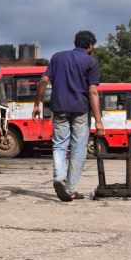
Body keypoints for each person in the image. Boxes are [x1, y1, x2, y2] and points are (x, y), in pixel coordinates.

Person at [33, 30, 104, 202]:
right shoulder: (91, 61)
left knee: (59, 144)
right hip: (80, 109)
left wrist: (37, 104)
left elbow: (43, 81)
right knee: (78, 148)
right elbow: (93, 92)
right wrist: (99, 121)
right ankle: (70, 189)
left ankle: (59, 177)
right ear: (90, 45)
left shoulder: (57, 57)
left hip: (59, 108)